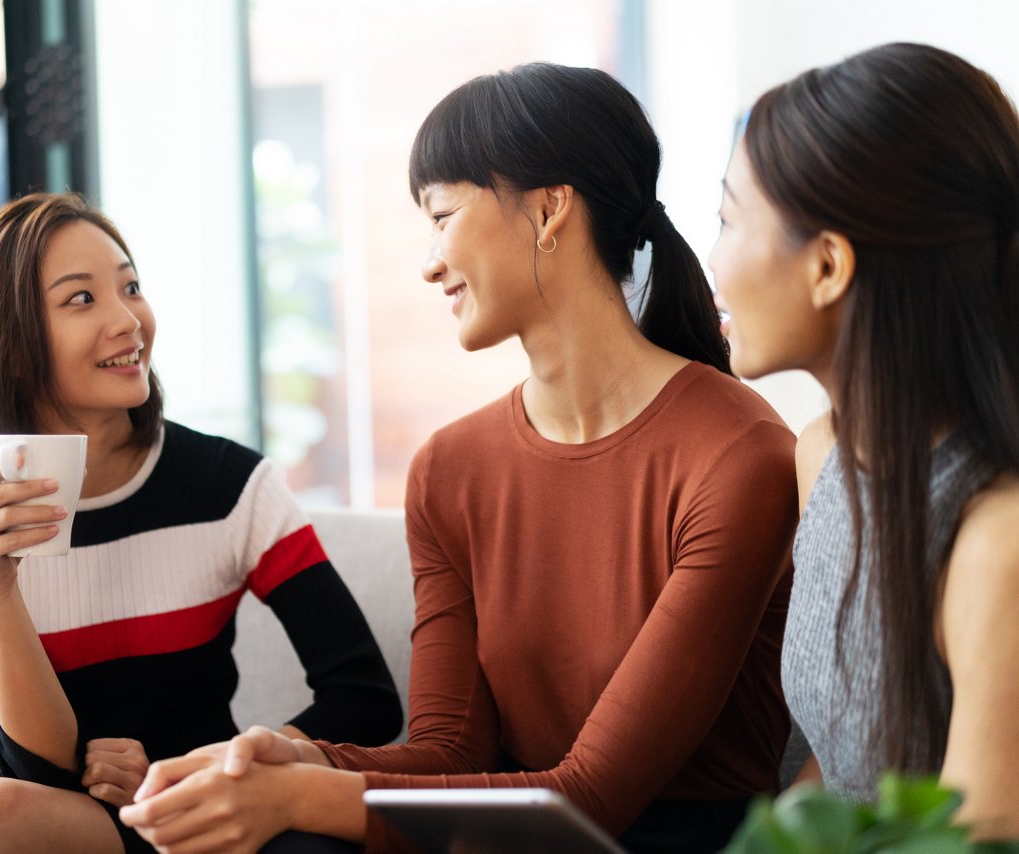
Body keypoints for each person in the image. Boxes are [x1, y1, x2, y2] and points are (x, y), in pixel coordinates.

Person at [117, 62, 800, 854]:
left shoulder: (739, 455)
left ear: (549, 210)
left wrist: (308, 791)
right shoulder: (451, 468)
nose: (430, 261)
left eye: (442, 215)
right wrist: (294, 755)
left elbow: (589, 799)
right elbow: (449, 752)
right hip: (495, 826)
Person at [0, 192, 402, 854]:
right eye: (81, 299)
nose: (129, 320)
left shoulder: (231, 488)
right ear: (15, 346)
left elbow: (365, 695)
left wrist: (238, 763)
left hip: (215, 813)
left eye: (130, 287)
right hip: (78, 826)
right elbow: (37, 771)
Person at [708, 43, 1019, 839]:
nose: (711, 263)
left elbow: (974, 841)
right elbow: (830, 775)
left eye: (727, 220)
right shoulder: (822, 457)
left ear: (827, 266)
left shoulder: (997, 540)